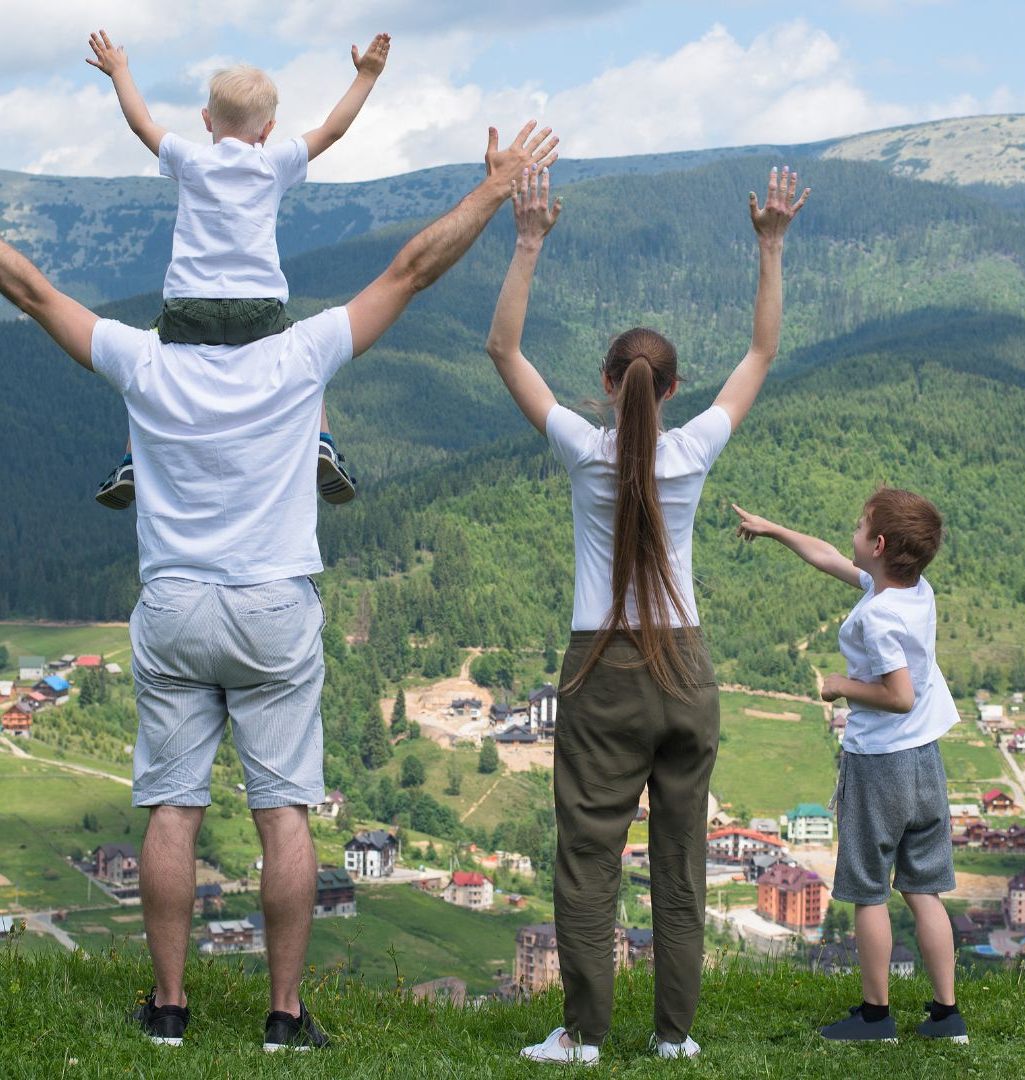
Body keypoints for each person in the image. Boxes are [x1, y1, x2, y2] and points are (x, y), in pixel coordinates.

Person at [0, 118, 558, 1050]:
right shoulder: (301, 355)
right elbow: (414, 268)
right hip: (272, 608)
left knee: (172, 809)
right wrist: (497, 188)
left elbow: (28, 285)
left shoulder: (144, 361)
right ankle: (284, 1016)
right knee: (282, 812)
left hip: (174, 604)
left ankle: (170, 1009)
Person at [486, 164, 808, 1065]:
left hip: (604, 670)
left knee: (589, 861)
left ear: (604, 385)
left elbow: (504, 351)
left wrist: (529, 239)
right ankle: (675, 1037)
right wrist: (771, 246)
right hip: (687, 670)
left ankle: (585, 1036)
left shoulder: (584, 454)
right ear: (670, 393)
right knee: (681, 865)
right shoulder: (693, 451)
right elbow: (761, 357)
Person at [86, 28, 392, 509]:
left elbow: (140, 122)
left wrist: (120, 71)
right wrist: (367, 76)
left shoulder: (189, 161)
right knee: (305, 361)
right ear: (268, 130)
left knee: (146, 366)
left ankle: (131, 458)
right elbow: (333, 129)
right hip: (259, 309)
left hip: (188, 308)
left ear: (206, 120)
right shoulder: (274, 162)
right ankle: (322, 443)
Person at [732, 490, 967, 1045]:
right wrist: (774, 529)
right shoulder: (912, 592)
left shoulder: (881, 615)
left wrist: (841, 686)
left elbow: (900, 695)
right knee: (924, 889)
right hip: (926, 762)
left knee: (867, 892)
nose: (851, 533)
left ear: (879, 544)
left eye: (860, 526)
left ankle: (875, 1017)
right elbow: (828, 557)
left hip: (880, 766)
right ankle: (946, 1016)